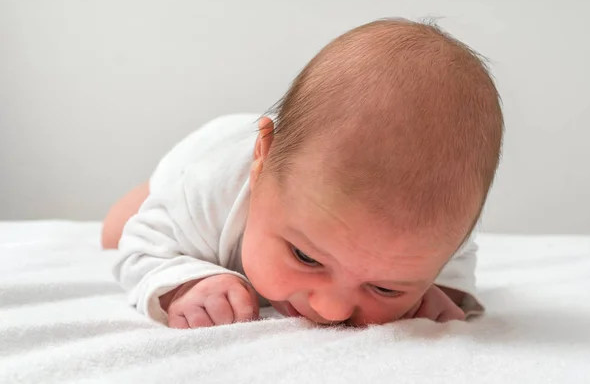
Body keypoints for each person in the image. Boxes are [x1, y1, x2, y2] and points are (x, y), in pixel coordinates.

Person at [105, 18, 503, 328]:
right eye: (305, 256)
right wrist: (185, 284)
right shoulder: (208, 187)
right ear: (262, 162)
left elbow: (454, 278)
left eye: (386, 287)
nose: (331, 310)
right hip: (203, 157)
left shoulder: (435, 236)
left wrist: (438, 291)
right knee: (115, 229)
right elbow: (142, 248)